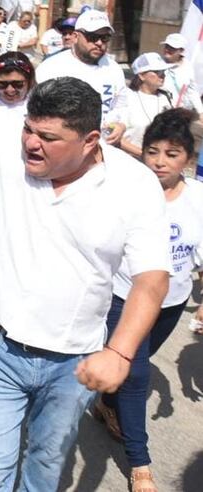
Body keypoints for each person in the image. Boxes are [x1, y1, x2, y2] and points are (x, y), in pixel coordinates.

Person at [0, 0, 171, 492]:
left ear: (90, 141)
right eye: (30, 131)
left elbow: (150, 279)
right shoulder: (3, 132)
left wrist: (120, 353)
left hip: (71, 360)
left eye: (49, 139)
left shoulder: (134, 184)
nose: (31, 144)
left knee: (43, 470)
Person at [93, 108, 203, 491]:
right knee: (137, 375)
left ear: (189, 159)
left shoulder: (199, 198)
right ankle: (140, 465)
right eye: (153, 151)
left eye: (172, 154)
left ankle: (106, 400)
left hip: (171, 302)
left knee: (132, 367)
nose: (159, 162)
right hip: (126, 296)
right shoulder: (127, 188)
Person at [35, 9, 127, 145]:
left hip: (103, 149)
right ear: (76, 36)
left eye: (105, 38)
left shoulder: (114, 69)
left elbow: (122, 106)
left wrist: (121, 125)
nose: (99, 43)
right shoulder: (51, 68)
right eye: (92, 37)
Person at [159, 33, 203, 111]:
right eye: (166, 46)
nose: (167, 50)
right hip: (158, 107)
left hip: (176, 111)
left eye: (172, 48)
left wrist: (200, 111)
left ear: (181, 50)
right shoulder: (156, 62)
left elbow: (192, 91)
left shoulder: (187, 67)